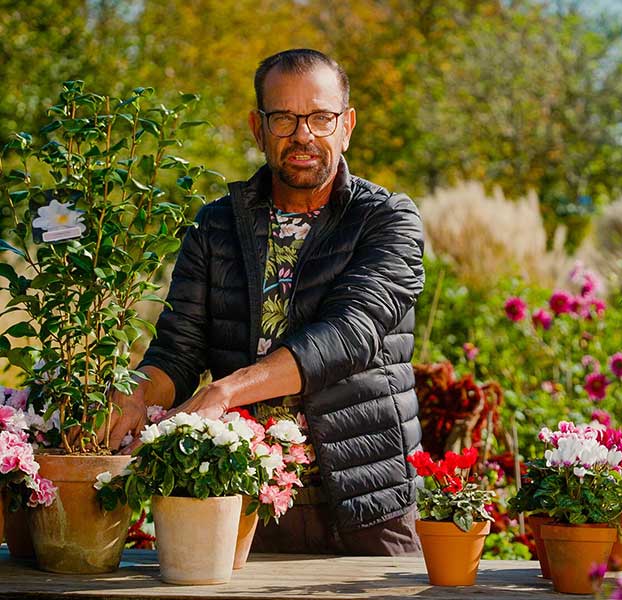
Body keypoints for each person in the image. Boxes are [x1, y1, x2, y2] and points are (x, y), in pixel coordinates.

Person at [107, 49, 425, 556]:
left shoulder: (387, 220)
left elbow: (349, 334)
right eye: (284, 118)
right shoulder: (215, 226)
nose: (304, 135)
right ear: (258, 128)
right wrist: (133, 398)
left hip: (366, 500)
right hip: (241, 498)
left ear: (347, 126)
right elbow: (178, 351)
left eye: (321, 117)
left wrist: (223, 393)